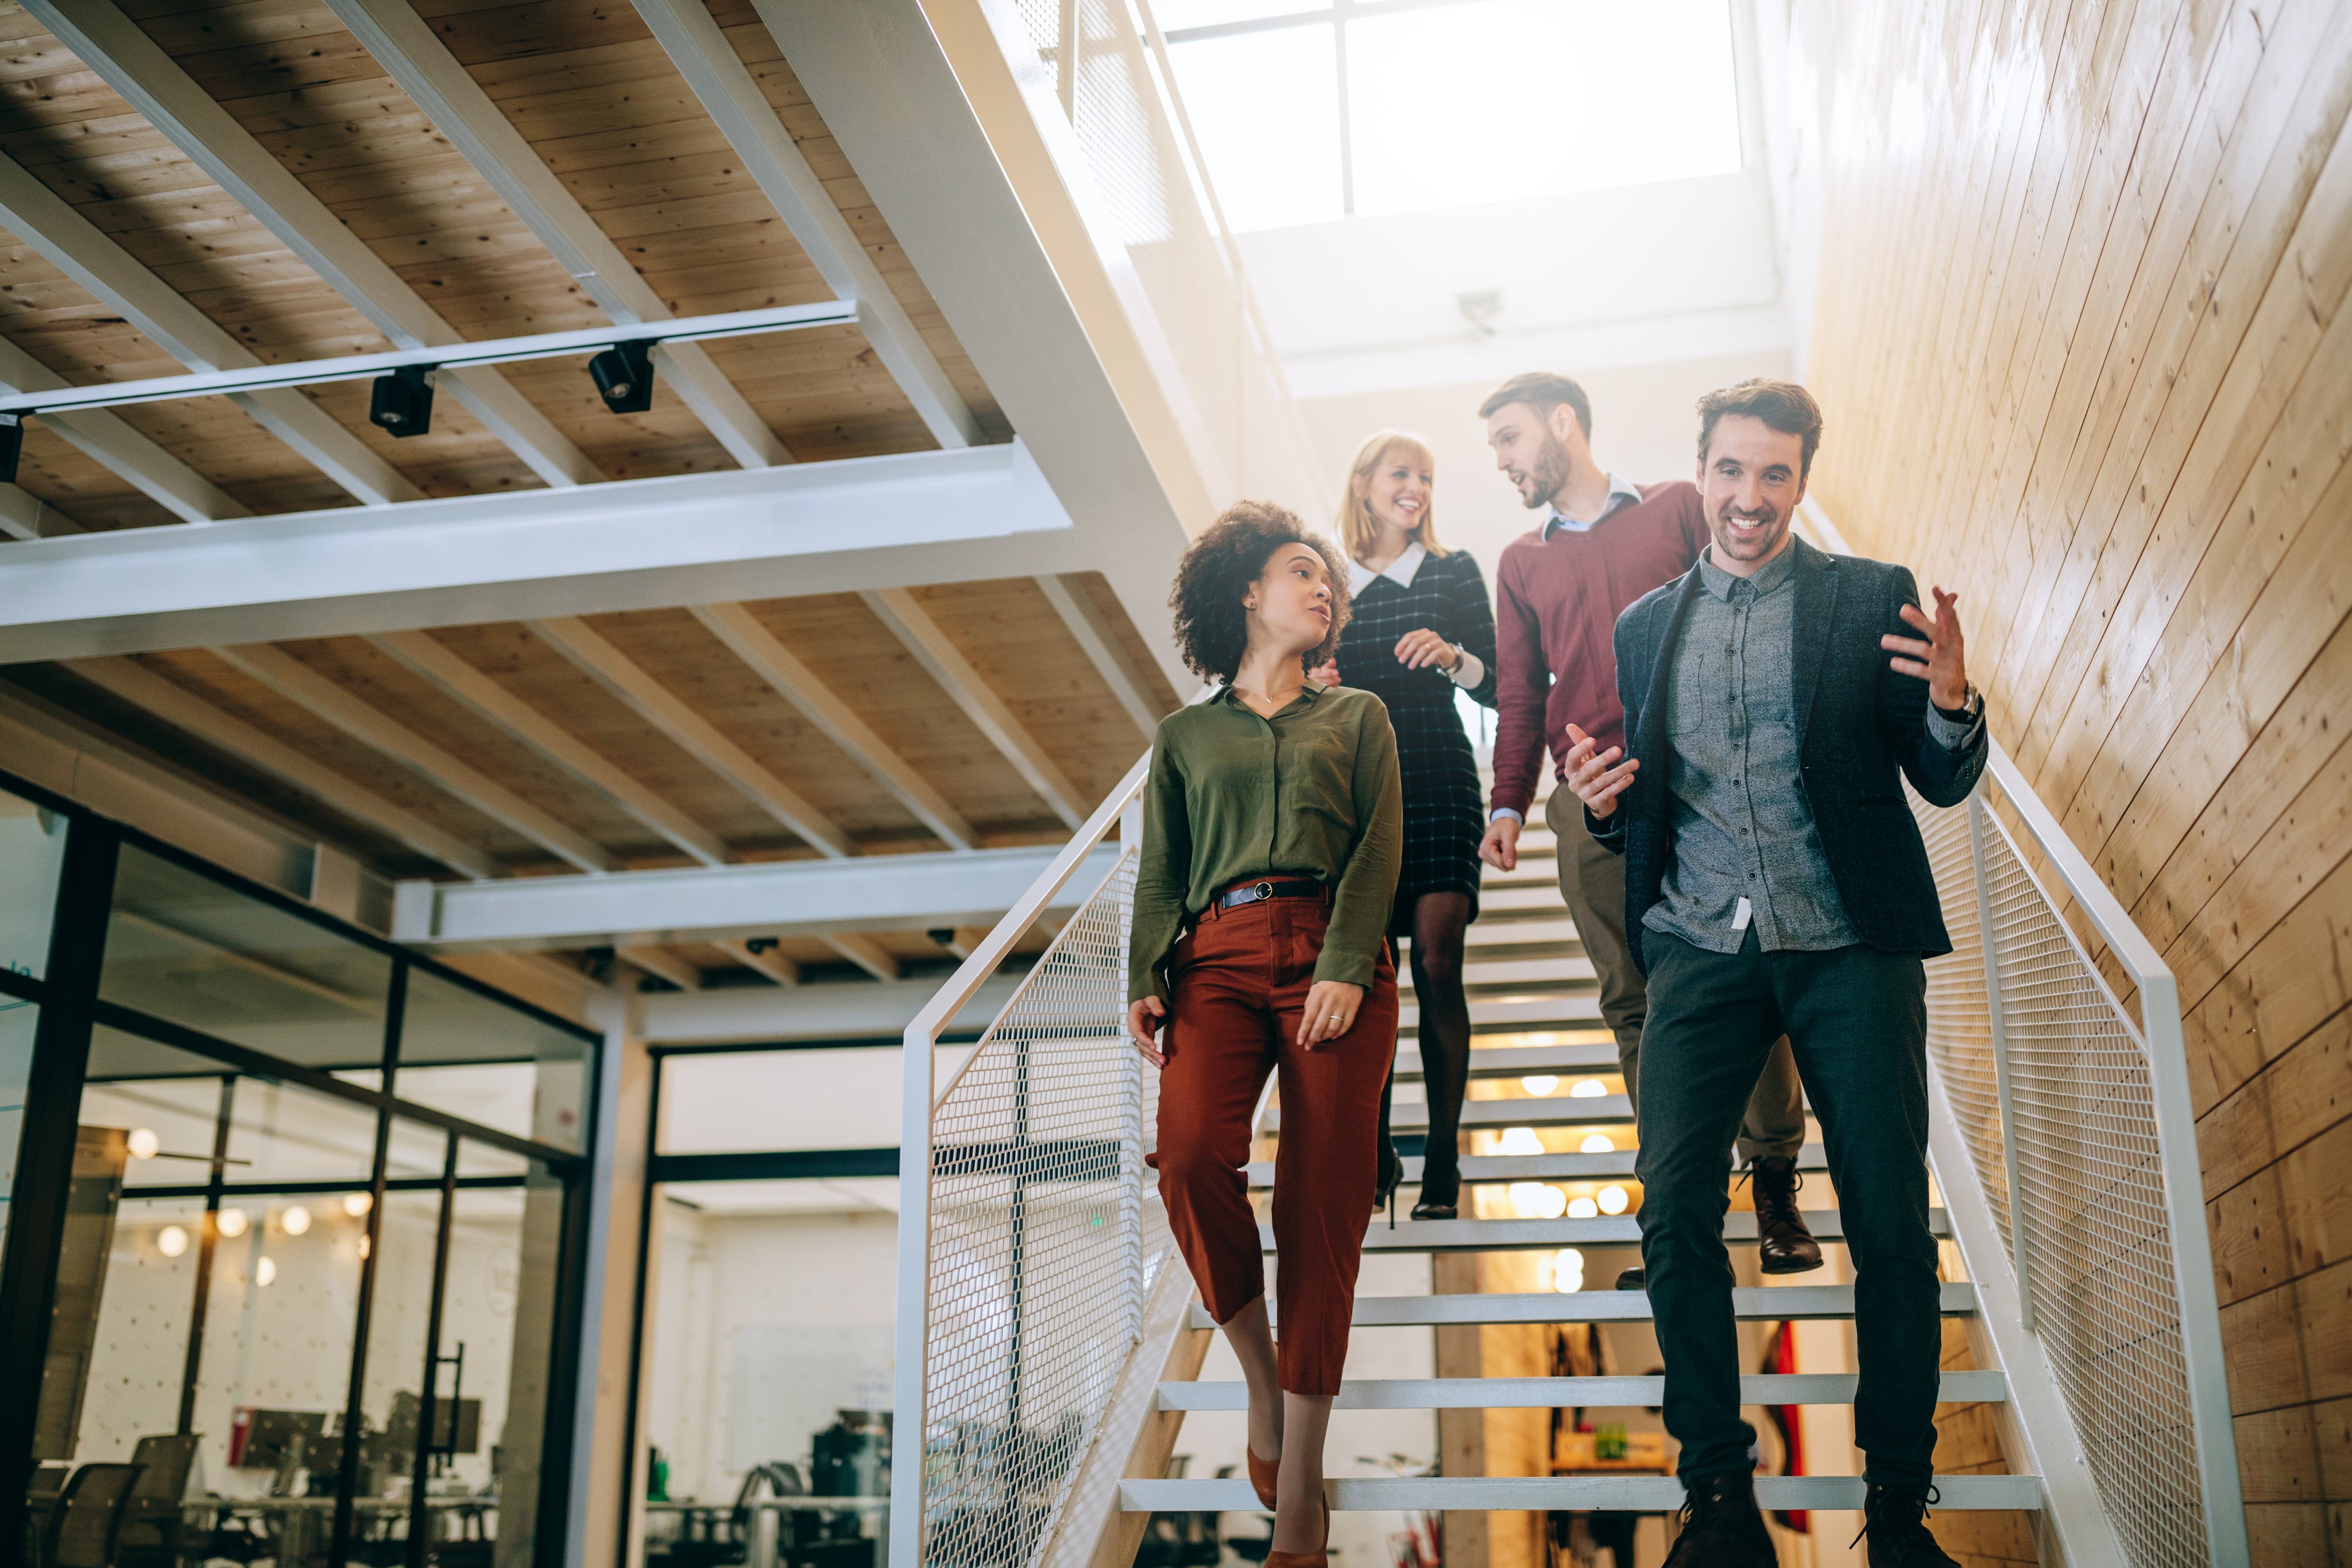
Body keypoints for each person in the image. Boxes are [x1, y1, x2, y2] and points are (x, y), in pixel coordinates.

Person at [1562, 379, 1983, 1567]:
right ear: (1696, 473)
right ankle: (1717, 1497)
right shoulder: (1644, 628)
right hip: (1700, 948)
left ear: (1800, 481)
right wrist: (1603, 812)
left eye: (1774, 476)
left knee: (1890, 1224)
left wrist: (1949, 704)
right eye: (1730, 472)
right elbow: (1642, 806)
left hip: (1847, 942)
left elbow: (1937, 778)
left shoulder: (1865, 599)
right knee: (1672, 1211)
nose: (1749, 499)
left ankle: (1896, 1510)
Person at [1476, 371, 1817, 1287]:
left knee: (1751, 980)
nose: (1503, 462)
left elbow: (1748, 604)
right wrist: (1508, 802)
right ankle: (1678, 1207)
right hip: (1589, 802)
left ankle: (1776, 1180)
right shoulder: (1520, 563)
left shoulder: (1676, 507)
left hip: (1699, 789)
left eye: (1508, 439)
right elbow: (1518, 692)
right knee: (1636, 1007)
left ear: (1561, 422)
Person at [1127, 501, 1404, 1568]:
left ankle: (1301, 1489)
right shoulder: (1185, 737)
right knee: (1192, 1158)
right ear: (1248, 591)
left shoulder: (1360, 716)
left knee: (1320, 1199)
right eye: (1301, 571)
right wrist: (1150, 971)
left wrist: (1343, 962)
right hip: (1216, 957)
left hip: (1334, 950)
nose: (1323, 587)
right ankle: (1257, 1375)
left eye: (1330, 578)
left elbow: (1380, 850)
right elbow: (1163, 869)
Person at [1310, 431, 1497, 1221]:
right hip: (1360, 792)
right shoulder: (1328, 578)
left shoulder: (1453, 571)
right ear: (1363, 485)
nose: (1415, 487)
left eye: (1426, 475)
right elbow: (1293, 680)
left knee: (1437, 964)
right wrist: (1315, 681)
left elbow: (1501, 686)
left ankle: (1445, 1161)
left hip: (1441, 777)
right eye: (1400, 474)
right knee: (1371, 977)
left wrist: (1455, 657)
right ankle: (1374, 1150)